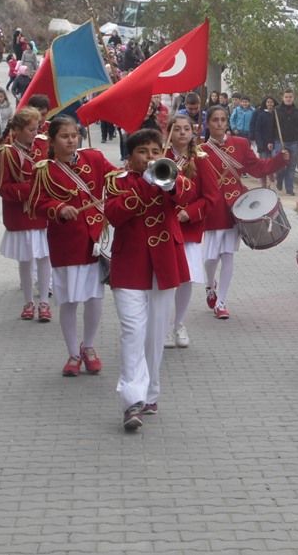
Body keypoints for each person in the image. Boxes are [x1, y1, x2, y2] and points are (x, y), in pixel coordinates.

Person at [106, 129, 191, 431]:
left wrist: (164, 180)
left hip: (165, 263)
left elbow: (184, 195)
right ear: (130, 157)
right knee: (133, 332)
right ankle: (132, 400)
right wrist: (144, 184)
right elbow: (114, 214)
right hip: (130, 265)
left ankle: (151, 392)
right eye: (143, 151)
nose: (150, 157)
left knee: (155, 335)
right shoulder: (118, 182)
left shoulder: (171, 178)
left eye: (155, 151)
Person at [28, 116, 118, 377]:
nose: (71, 140)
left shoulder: (95, 159)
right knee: (68, 299)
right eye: (64, 136)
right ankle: (72, 353)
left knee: (94, 296)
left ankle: (89, 346)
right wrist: (58, 208)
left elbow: (117, 180)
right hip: (65, 242)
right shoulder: (44, 170)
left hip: (94, 240)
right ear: (53, 141)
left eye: (74, 135)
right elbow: (36, 202)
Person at [198, 105, 289, 319]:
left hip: (236, 206)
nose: (220, 123)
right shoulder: (201, 150)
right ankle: (210, 287)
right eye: (215, 120)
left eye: (223, 119)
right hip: (212, 206)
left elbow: (257, 167)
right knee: (210, 258)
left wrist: (279, 160)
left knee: (228, 254)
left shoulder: (240, 143)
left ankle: (221, 302)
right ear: (208, 123)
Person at [162, 115, 217, 349]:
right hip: (163, 228)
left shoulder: (201, 160)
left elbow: (211, 197)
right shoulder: (160, 158)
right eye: (177, 129)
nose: (183, 133)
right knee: (165, 280)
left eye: (187, 129)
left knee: (185, 280)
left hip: (188, 230)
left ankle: (179, 324)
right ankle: (162, 326)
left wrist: (191, 213)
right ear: (169, 133)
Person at [0, 108, 52, 321]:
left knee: (45, 258)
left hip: (43, 213)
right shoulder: (6, 153)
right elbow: (0, 186)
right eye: (30, 130)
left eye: (36, 129)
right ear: (16, 130)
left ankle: (44, 302)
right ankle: (28, 302)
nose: (34, 134)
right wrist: (30, 189)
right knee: (25, 260)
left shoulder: (43, 147)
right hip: (20, 214)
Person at [274, 89, 298, 196]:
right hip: (280, 141)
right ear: (283, 98)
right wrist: (270, 141)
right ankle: (279, 179)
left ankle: (289, 189)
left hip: (294, 142)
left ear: (293, 98)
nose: (288, 99)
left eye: (290, 97)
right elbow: (272, 127)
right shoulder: (277, 111)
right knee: (280, 165)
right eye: (286, 97)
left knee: (291, 166)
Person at [251, 96, 278, 187]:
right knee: (263, 164)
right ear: (265, 104)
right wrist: (259, 143)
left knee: (272, 164)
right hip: (262, 143)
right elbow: (257, 130)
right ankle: (263, 183)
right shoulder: (261, 115)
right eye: (268, 102)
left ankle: (271, 181)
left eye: (271, 102)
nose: (270, 104)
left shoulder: (276, 115)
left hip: (274, 143)